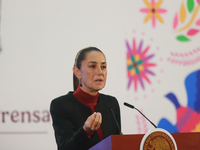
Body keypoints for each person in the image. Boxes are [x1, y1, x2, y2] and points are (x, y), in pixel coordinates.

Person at [50, 47, 121, 150]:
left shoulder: (111, 103)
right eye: (92, 66)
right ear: (77, 72)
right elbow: (65, 147)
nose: (100, 72)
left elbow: (118, 143)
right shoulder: (61, 105)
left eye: (103, 67)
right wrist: (85, 131)